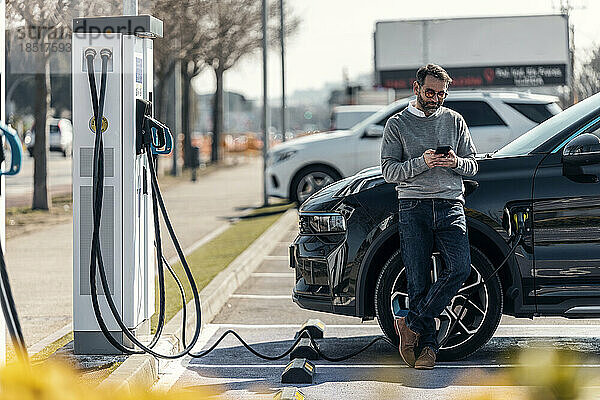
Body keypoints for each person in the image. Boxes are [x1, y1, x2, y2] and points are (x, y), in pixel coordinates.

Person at [379, 63, 478, 370]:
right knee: (418, 280)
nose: (436, 98)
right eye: (430, 91)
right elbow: (388, 172)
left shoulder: (455, 120)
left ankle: (411, 324)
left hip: (450, 205)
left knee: (460, 268)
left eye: (441, 93)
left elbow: (473, 165)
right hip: (413, 206)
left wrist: (455, 162)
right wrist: (422, 162)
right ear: (416, 88)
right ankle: (429, 350)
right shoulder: (396, 124)